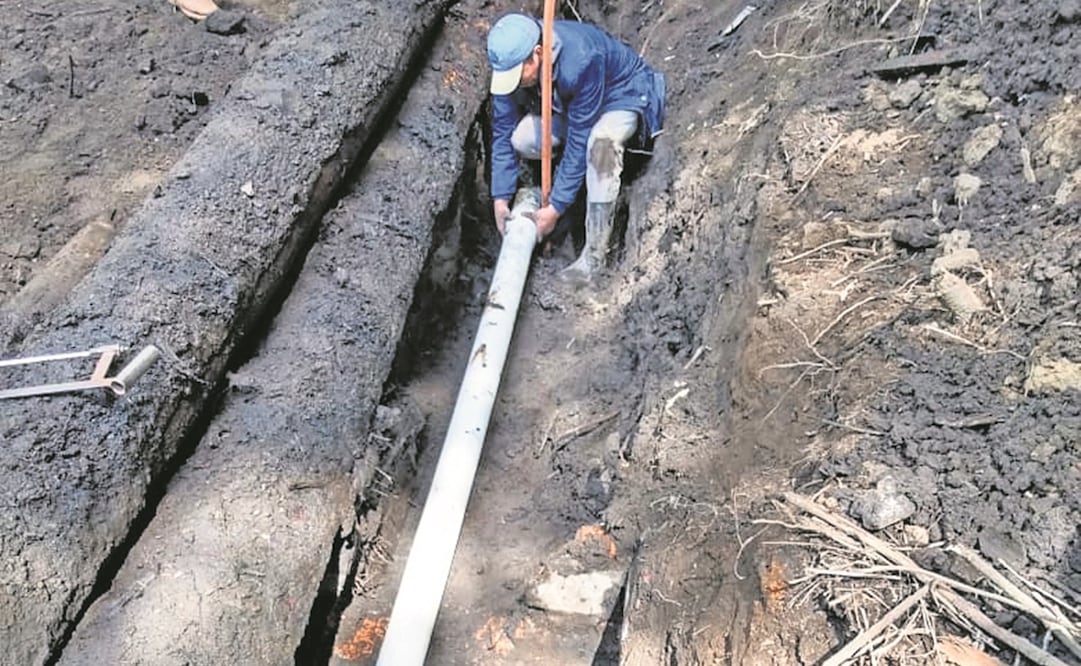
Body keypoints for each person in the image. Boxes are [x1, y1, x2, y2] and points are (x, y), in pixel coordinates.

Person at [486, 12, 665, 283]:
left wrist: (556, 207)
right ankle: (560, 189)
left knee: (600, 147)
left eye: (518, 74)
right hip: (571, 106)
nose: (514, 83)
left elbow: (581, 137)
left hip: (621, 96)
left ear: (537, 54)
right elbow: (502, 131)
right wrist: (500, 197)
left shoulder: (581, 59)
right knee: (522, 138)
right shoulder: (509, 66)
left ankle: (593, 257)